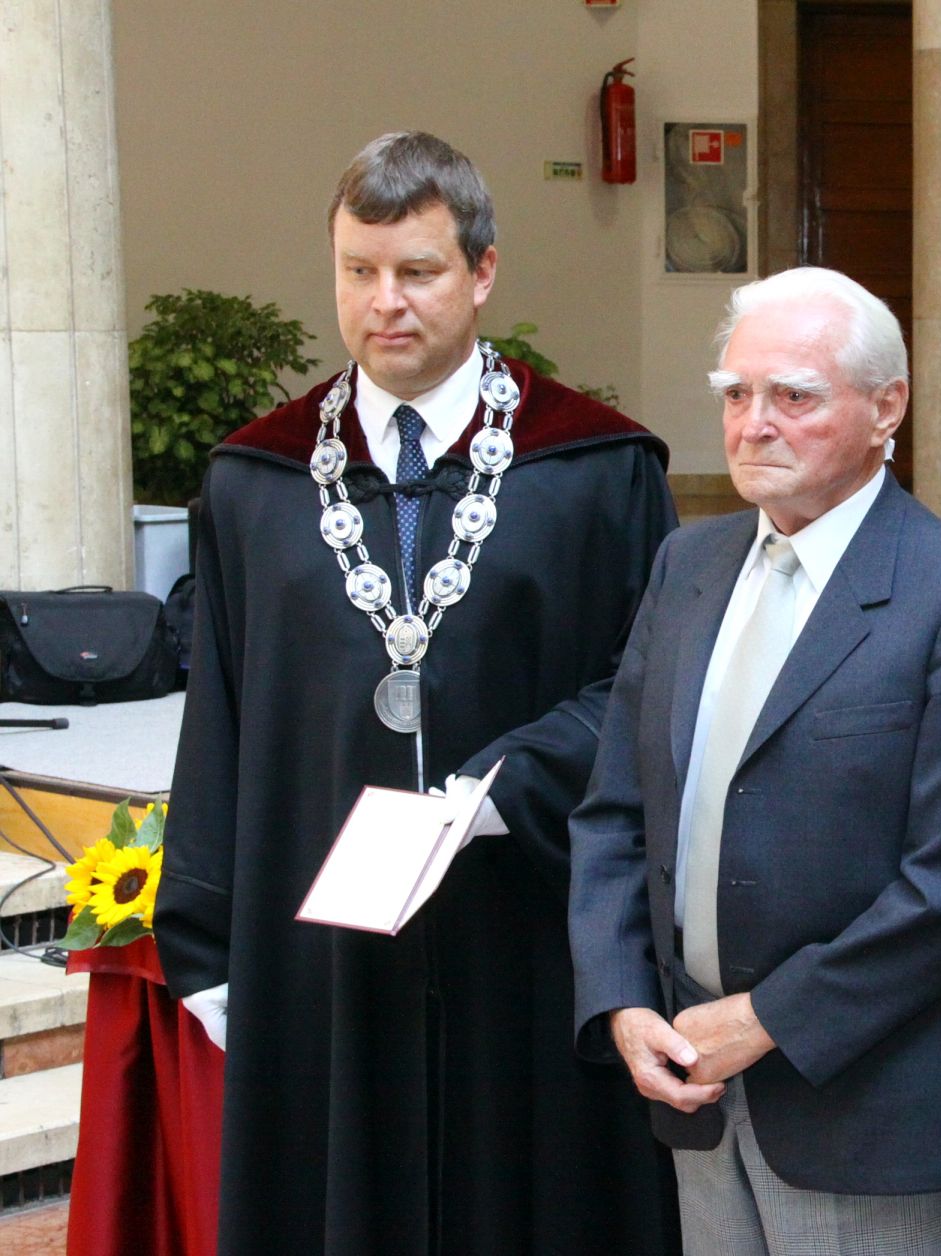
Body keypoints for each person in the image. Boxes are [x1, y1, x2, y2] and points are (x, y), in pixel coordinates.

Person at [153, 132, 682, 1254]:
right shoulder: (255, 481)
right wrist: (201, 933)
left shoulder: (596, 469)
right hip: (322, 942)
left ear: (482, 272)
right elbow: (222, 719)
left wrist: (503, 784)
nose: (384, 302)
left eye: (417, 271)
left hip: (527, 924)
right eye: (359, 271)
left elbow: (647, 691)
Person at [566, 267, 941, 1255]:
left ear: (886, 408)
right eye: (736, 394)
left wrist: (767, 1018)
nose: (755, 424)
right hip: (694, 1082)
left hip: (865, 1103)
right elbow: (616, 810)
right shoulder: (687, 565)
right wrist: (622, 998)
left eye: (794, 396)